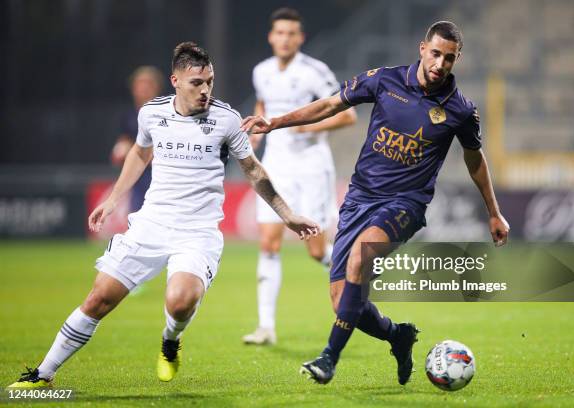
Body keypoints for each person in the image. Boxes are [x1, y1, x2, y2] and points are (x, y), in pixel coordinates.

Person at [8, 42, 319, 389]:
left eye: (209, 82)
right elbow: (140, 154)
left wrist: (287, 215)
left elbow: (254, 170)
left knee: (180, 301)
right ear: (175, 80)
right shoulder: (151, 113)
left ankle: (171, 339)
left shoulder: (226, 119)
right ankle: (43, 374)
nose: (205, 90)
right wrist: (113, 199)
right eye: (196, 83)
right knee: (98, 299)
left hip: (197, 232)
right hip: (151, 224)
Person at [241, 21, 510, 385]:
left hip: (405, 204)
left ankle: (328, 358)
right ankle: (398, 336)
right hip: (359, 200)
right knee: (343, 302)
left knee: (361, 257)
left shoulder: (461, 110)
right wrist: (275, 122)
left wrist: (493, 212)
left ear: (457, 58)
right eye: (435, 54)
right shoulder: (385, 80)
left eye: (449, 58)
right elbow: (330, 105)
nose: (440, 64)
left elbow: (475, 159)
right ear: (422, 48)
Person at [242, 7, 357, 346]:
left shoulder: (314, 71)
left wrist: (309, 125)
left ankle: (356, 276)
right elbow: (264, 104)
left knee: (316, 249)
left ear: (300, 38)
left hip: (311, 167)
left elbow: (347, 116)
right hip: (275, 165)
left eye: (291, 33)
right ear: (271, 36)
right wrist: (258, 132)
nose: (285, 38)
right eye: (280, 32)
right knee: (268, 243)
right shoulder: (261, 71)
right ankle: (266, 327)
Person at [111, 66, 164, 212]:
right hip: (137, 177)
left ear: (156, 87)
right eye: (139, 84)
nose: (143, 89)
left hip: (161, 176)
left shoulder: (166, 113)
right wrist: (120, 151)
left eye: (147, 84)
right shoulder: (128, 117)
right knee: (137, 217)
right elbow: (123, 142)